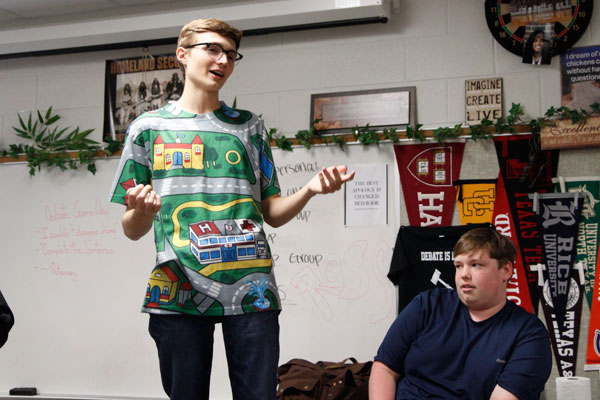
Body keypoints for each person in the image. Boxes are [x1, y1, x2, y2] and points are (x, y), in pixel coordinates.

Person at [108, 18, 354, 400]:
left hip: (253, 289)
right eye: (212, 49)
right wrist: (141, 210)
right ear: (183, 55)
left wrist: (309, 190)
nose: (223, 60)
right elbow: (131, 228)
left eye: (230, 54)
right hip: (177, 289)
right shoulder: (147, 128)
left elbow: (271, 212)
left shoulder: (250, 127)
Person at [370, 227, 552, 400]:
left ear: (505, 270)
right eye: (458, 266)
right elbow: (385, 368)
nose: (464, 274)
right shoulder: (427, 305)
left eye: (476, 265)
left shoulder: (529, 334)